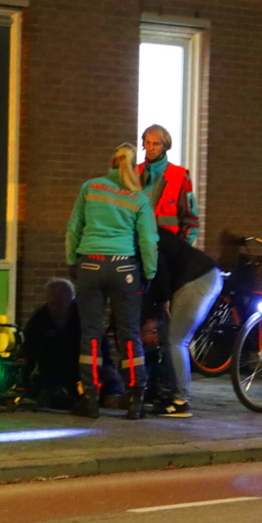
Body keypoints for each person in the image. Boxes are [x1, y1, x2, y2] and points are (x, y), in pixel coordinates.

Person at [66, 143, 158, 419]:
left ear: (111, 162)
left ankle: (90, 398)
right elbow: (148, 239)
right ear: (133, 166)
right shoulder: (139, 198)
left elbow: (73, 227)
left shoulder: (90, 188)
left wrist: (72, 260)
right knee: (128, 333)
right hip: (124, 267)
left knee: (91, 333)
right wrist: (149, 273)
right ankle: (135, 399)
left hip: (90, 263)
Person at [145, 228, 223, 418]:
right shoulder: (150, 230)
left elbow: (159, 270)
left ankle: (181, 402)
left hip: (196, 279)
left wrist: (161, 303)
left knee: (176, 340)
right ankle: (168, 391)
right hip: (202, 275)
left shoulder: (144, 236)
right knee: (169, 338)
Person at [22, 278, 124, 409]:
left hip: (82, 368)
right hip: (53, 372)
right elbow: (28, 351)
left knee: (109, 382)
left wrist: (108, 369)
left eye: (61, 303)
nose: (56, 308)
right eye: (52, 303)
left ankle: (113, 397)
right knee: (49, 392)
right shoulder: (39, 320)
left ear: (71, 300)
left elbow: (101, 345)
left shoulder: (84, 318)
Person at [138, 124, 199, 244]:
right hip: (135, 246)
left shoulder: (180, 176)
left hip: (167, 249)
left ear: (165, 146)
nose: (150, 148)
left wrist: (180, 251)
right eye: (147, 142)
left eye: (156, 144)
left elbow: (190, 220)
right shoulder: (133, 173)